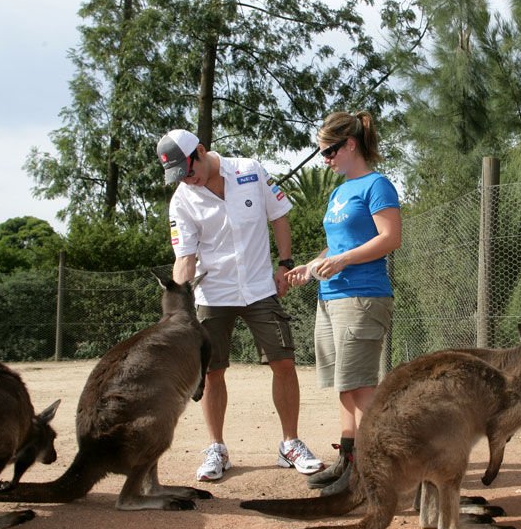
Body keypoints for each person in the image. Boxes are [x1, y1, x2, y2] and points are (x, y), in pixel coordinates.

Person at [156, 128, 323, 481]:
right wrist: (176, 311)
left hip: (261, 287)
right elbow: (184, 258)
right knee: (213, 371)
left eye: (188, 171)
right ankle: (216, 448)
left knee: (284, 361)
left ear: (200, 151)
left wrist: (286, 264)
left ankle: (289, 444)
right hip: (212, 294)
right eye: (179, 177)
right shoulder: (182, 200)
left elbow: (278, 216)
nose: (188, 180)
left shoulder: (251, 170)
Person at [285, 111, 402, 494]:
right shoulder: (338, 192)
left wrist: (344, 260)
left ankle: (386, 467)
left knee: (361, 387)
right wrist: (314, 264)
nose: (325, 159)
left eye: (329, 151)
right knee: (344, 386)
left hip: (362, 297)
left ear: (350, 144)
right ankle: (349, 462)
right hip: (331, 296)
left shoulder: (377, 185)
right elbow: (337, 245)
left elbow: (390, 238)